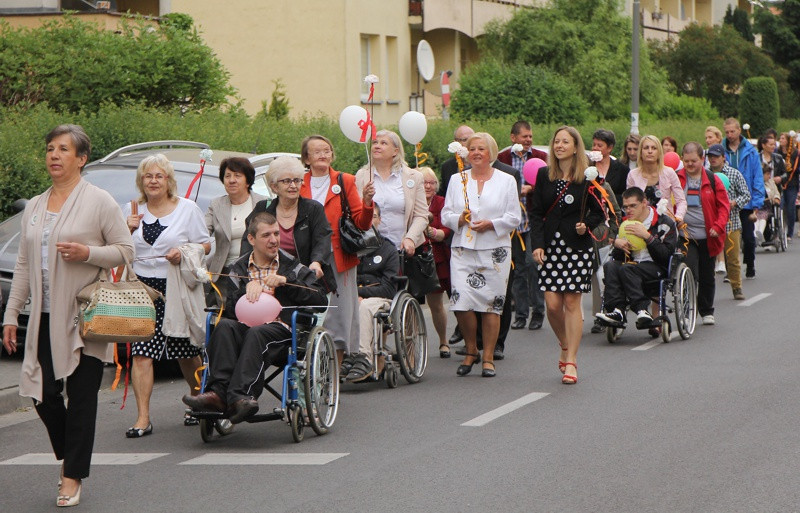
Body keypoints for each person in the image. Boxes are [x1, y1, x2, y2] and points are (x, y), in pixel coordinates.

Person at [2, 124, 134, 507]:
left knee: (81, 398)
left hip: (86, 317)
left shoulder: (99, 201)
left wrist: (87, 254)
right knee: (42, 395)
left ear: (81, 159)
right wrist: (12, 315)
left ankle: (72, 475)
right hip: (42, 317)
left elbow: (125, 251)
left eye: (63, 149)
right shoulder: (36, 204)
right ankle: (70, 455)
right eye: (49, 149)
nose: (54, 155)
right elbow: (25, 264)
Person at [182, 212, 328, 423]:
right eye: (266, 235)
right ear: (251, 239)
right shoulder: (238, 269)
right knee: (224, 327)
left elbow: (320, 300)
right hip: (246, 327)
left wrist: (285, 282)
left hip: (282, 330)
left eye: (276, 234)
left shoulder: (293, 266)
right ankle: (217, 394)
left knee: (257, 333)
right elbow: (230, 308)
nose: (274, 240)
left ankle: (242, 396)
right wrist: (245, 291)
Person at [123, 154, 212, 437]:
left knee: (185, 352)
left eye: (158, 175)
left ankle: (200, 402)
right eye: (148, 176)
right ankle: (142, 418)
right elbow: (117, 247)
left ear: (169, 181)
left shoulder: (187, 209)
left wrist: (183, 252)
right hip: (141, 288)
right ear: (141, 181)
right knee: (141, 354)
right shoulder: (132, 209)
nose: (153, 180)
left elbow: (205, 245)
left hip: (175, 286)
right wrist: (127, 230)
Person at [441, 132, 521, 378]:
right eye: (472, 148)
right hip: (463, 249)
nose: (476, 152)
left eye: (481, 149)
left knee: (491, 306)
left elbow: (514, 217)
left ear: (491, 153)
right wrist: (459, 219)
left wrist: (491, 224)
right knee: (461, 301)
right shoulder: (457, 179)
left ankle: (488, 357)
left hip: (494, 250)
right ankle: (471, 349)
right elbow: (445, 214)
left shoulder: (506, 180)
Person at [529, 126, 604, 385]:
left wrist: (587, 225)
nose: (559, 145)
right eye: (556, 141)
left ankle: (571, 360)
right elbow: (536, 213)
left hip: (577, 247)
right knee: (552, 305)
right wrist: (537, 244)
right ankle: (564, 342)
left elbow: (599, 212)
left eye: (565, 142)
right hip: (550, 247)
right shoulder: (543, 175)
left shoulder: (588, 175)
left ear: (575, 146)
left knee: (572, 303)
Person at [299, 135, 374, 375]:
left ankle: (334, 373)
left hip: (338, 254)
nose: (323, 154)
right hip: (304, 253)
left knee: (339, 312)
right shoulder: (297, 181)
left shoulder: (345, 180)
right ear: (306, 158)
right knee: (306, 306)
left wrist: (368, 203)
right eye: (317, 151)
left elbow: (361, 223)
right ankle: (308, 366)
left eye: (327, 150)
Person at [243, 156, 335, 293]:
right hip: (269, 279)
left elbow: (322, 239)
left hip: (304, 282)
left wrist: (317, 262)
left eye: (297, 180)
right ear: (274, 186)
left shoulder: (313, 209)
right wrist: (245, 273)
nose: (293, 185)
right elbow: (248, 241)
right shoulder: (263, 208)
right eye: (286, 181)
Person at [596, 187, 677, 328]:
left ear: (644, 202)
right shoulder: (625, 224)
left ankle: (641, 309)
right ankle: (617, 310)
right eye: (625, 207)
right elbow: (618, 257)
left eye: (633, 206)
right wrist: (618, 244)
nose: (629, 210)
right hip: (631, 265)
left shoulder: (664, 223)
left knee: (627, 269)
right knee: (610, 266)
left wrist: (647, 237)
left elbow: (666, 256)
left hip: (656, 266)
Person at [497, 120, 547, 333]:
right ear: (513, 137)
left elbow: (547, 185)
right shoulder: (503, 158)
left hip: (532, 220)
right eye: (524, 136)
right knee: (516, 268)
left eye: (530, 136)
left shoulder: (540, 157)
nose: (528, 140)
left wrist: (531, 190)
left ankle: (538, 311)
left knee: (533, 265)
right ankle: (521, 313)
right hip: (511, 221)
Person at [346, 204, 402, 381]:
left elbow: (388, 288)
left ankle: (363, 358)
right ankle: (344, 357)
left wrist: (361, 293)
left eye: (373, 217)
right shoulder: (349, 248)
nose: (369, 222)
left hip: (379, 298)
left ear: (379, 220)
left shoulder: (388, 250)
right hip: (352, 296)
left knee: (364, 307)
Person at [677, 142, 730, 326]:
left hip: (709, 235)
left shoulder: (713, 180)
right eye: (686, 161)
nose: (690, 164)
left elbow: (724, 207)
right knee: (689, 270)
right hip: (685, 235)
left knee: (707, 275)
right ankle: (686, 309)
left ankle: (707, 310)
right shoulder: (677, 178)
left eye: (694, 161)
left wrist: (718, 225)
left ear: (702, 159)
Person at [355, 130, 428, 257]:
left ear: (395, 151)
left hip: (402, 250)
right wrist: (366, 200)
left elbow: (421, 215)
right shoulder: (361, 175)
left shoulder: (414, 177)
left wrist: (410, 238)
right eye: (375, 142)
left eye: (383, 143)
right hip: (370, 250)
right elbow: (356, 213)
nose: (377, 146)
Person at [205, 157, 266, 305]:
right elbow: (202, 231)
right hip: (224, 273)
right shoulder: (217, 204)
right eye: (227, 176)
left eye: (237, 176)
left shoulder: (263, 203)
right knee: (225, 318)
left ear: (248, 180)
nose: (232, 180)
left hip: (255, 271)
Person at [438, 125, 474, 346]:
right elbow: (445, 199)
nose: (464, 144)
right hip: (457, 230)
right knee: (456, 284)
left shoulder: (482, 163)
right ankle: (461, 326)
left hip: (479, 228)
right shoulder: (448, 167)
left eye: (467, 139)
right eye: (460, 140)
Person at [707, 144, 750, 300]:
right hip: (710, 224)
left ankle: (737, 287)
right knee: (707, 259)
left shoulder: (734, 174)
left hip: (731, 222)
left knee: (732, 258)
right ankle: (706, 292)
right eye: (710, 156)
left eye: (716, 156)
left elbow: (746, 194)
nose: (712, 159)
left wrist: (734, 203)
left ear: (723, 158)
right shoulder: (705, 175)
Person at [723, 118, 764, 279]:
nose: (730, 135)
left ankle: (750, 262)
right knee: (729, 238)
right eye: (727, 132)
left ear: (739, 130)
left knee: (748, 237)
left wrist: (757, 201)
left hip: (746, 200)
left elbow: (757, 177)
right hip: (727, 201)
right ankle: (730, 270)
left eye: (732, 131)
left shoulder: (750, 151)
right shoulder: (721, 150)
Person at [419, 167, 453, 358]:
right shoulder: (411, 202)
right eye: (424, 182)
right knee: (428, 303)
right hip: (419, 257)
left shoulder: (441, 202)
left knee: (447, 301)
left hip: (441, 257)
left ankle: (451, 340)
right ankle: (439, 341)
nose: (429, 186)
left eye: (432, 182)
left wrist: (433, 231)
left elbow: (446, 229)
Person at [626, 135, 687, 223]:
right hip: (640, 224)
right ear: (640, 152)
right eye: (646, 148)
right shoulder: (633, 174)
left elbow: (681, 201)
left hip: (666, 224)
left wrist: (678, 217)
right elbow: (629, 203)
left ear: (659, 153)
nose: (650, 151)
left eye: (654, 148)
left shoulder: (669, 172)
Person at [592, 128, 630, 206]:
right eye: (594, 145)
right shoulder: (587, 166)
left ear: (610, 148)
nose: (595, 148)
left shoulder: (622, 169)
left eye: (599, 145)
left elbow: (625, 195)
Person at [781, 134, 800, 240]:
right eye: (780, 138)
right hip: (781, 183)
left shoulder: (796, 154)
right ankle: (780, 229)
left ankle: (790, 232)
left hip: (792, 184)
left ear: (789, 141)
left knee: (790, 208)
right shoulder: (777, 152)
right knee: (780, 206)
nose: (781, 140)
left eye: (783, 138)